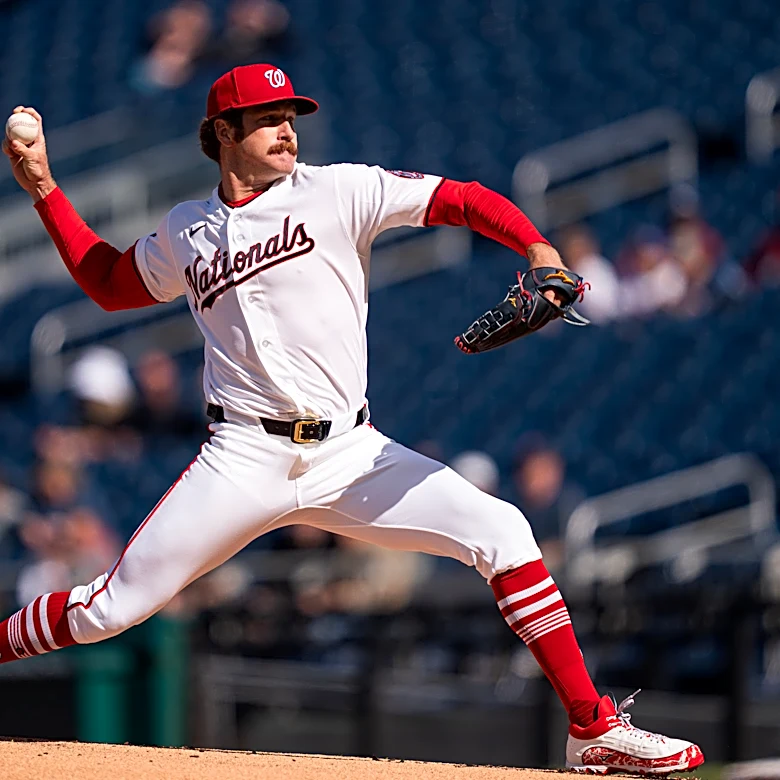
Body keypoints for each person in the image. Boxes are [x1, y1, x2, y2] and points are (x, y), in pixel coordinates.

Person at [1, 64, 702, 773]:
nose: (287, 128)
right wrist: (43, 189)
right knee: (106, 613)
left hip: (351, 454)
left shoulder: (340, 189)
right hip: (244, 456)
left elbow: (458, 199)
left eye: (292, 115)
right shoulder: (188, 228)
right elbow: (111, 284)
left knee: (504, 530)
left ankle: (593, 725)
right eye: (268, 116)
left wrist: (538, 249)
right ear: (222, 133)